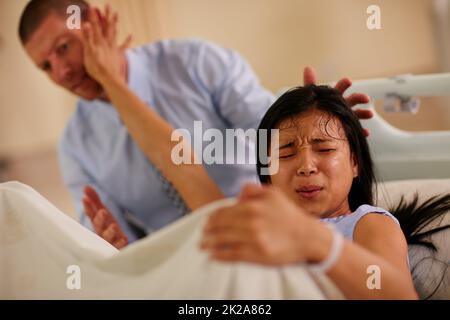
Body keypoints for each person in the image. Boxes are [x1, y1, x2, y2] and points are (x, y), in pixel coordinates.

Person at [18, 0, 371, 248]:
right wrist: (108, 244)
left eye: (63, 47)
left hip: (264, 224)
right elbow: (112, 243)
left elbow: (273, 138)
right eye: (45, 66)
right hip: (182, 265)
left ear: (94, 23)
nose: (60, 71)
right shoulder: (76, 145)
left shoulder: (196, 63)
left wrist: (321, 122)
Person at [200, 85, 450, 299]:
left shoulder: (367, 223)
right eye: (285, 152)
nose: (306, 167)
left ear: (354, 163)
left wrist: (317, 243)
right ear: (267, 176)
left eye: (325, 149)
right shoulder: (257, 227)